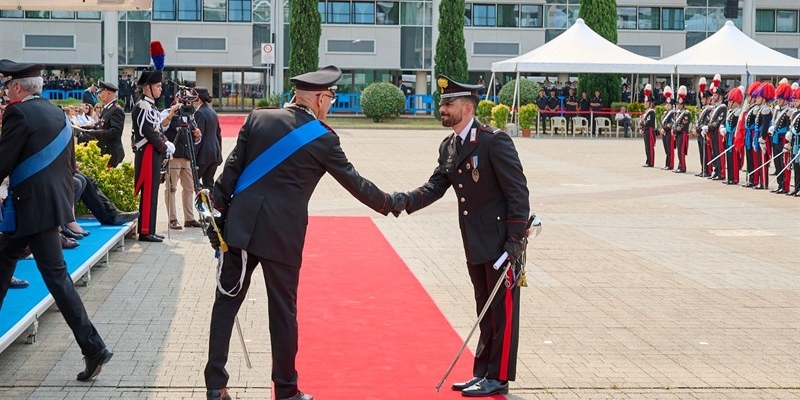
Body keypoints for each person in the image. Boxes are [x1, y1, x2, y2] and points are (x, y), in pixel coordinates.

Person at [203, 65, 399, 400]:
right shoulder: (323, 138)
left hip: (240, 229)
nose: (331, 105)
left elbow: (229, 173)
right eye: (331, 98)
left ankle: (215, 385)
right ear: (320, 98)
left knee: (225, 304)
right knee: (283, 313)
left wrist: (215, 219)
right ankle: (285, 390)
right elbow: (356, 185)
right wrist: (392, 203)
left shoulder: (259, 118)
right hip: (281, 237)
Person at [390, 75, 530, 397]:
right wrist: (403, 201)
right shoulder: (450, 146)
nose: (442, 108)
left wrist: (514, 242)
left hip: (501, 244)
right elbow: (436, 186)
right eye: (442, 103)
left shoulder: (493, 141)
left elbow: (518, 193)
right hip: (475, 242)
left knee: (502, 312)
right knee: (485, 309)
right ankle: (482, 373)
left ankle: (498, 377)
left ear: (467, 108)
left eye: (448, 104)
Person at [0, 59, 113, 382]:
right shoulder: (56, 114)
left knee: (57, 280)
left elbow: (3, 161)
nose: (5, 92)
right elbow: (70, 166)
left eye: (7, 86)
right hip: (47, 209)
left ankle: (94, 347)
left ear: (18, 87)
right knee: (16, 266)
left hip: (27, 210)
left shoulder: (18, 114)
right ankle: (93, 348)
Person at [132, 68, 175, 242]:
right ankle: (145, 231)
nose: (160, 89)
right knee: (149, 190)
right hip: (147, 152)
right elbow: (148, 131)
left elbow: (157, 130)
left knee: (153, 190)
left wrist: (165, 142)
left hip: (153, 151)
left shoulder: (151, 106)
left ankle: (150, 228)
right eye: (158, 86)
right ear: (148, 87)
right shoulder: (143, 105)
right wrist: (164, 147)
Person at [162, 97, 203, 230]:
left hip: (187, 157)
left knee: (189, 188)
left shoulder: (190, 115)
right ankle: (172, 219)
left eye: (188, 102)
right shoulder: (167, 112)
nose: (186, 104)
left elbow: (194, 138)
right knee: (171, 188)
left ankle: (189, 219)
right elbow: (161, 127)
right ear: (176, 99)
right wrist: (171, 114)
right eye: (183, 100)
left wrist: (198, 135)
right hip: (174, 156)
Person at [79, 81, 126, 167]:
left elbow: (116, 131)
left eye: (100, 93)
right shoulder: (107, 108)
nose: (98, 96)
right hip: (105, 151)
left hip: (111, 152)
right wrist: (90, 128)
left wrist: (96, 133)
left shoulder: (116, 110)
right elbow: (101, 125)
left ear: (109, 93)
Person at [193, 87, 223, 190]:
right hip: (214, 153)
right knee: (209, 183)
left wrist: (193, 155)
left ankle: (204, 198)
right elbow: (218, 134)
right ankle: (210, 200)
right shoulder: (212, 111)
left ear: (198, 98)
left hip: (203, 154)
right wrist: (219, 153)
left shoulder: (199, 113)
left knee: (193, 181)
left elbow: (198, 136)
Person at [769, 82, 793, 194]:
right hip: (776, 138)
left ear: (785, 99)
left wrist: (788, 142)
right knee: (777, 162)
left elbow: (789, 127)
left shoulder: (788, 111)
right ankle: (779, 184)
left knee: (783, 163)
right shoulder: (777, 110)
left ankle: (785, 185)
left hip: (783, 139)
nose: (778, 101)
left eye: (780, 99)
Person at [722, 86, 744, 185]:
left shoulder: (738, 112)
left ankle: (734, 178)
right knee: (729, 157)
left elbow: (737, 126)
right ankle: (730, 177)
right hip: (728, 136)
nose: (729, 103)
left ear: (735, 102)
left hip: (734, 137)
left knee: (734, 159)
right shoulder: (731, 111)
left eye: (731, 101)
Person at [706, 85, 728, 180]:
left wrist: (709, 126)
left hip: (718, 133)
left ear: (720, 96)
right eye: (713, 95)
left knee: (719, 152)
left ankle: (721, 172)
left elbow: (718, 121)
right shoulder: (715, 107)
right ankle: (716, 170)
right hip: (712, 132)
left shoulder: (723, 107)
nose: (713, 97)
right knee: (714, 152)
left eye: (715, 95)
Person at [671, 86, 691, 173]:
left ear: (684, 105)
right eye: (678, 104)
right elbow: (676, 123)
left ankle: (682, 167)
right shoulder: (678, 113)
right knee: (679, 151)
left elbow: (683, 125)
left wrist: (676, 130)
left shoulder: (686, 113)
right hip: (678, 134)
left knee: (681, 151)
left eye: (680, 104)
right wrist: (674, 129)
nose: (678, 106)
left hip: (682, 134)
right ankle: (680, 165)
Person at [787, 86, 800, 196]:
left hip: (799, 143)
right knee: (796, 166)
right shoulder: (795, 113)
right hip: (794, 143)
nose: (795, 102)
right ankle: (797, 187)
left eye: (797, 100)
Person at [640, 84, 657, 168]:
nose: (645, 103)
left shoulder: (651, 112)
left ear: (650, 103)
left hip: (650, 131)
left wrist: (643, 123)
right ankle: (648, 160)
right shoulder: (646, 112)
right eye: (645, 102)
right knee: (647, 146)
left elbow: (648, 122)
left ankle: (651, 162)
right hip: (646, 130)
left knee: (650, 146)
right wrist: (641, 127)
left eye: (647, 102)